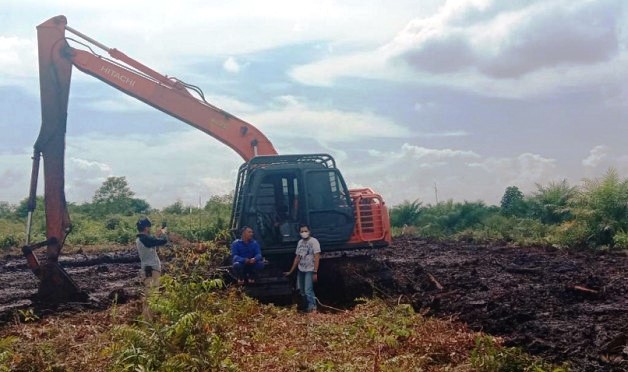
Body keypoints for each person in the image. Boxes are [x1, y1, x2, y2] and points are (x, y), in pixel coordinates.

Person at [135, 217, 168, 319]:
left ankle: (148, 319)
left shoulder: (142, 239)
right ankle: (149, 321)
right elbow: (163, 241)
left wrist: (157, 235)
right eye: (149, 227)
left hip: (148, 269)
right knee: (151, 295)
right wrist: (163, 233)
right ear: (145, 228)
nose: (149, 229)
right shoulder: (145, 239)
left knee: (150, 295)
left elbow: (152, 241)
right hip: (151, 270)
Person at [284, 224, 320, 313]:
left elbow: (317, 256)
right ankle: (307, 307)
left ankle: (313, 307)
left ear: (309, 232)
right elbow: (297, 258)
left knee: (308, 290)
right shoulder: (300, 242)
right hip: (301, 269)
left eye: (305, 231)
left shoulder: (314, 242)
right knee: (302, 291)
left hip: (310, 269)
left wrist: (315, 271)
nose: (304, 233)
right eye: (302, 231)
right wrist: (291, 271)